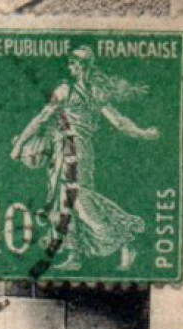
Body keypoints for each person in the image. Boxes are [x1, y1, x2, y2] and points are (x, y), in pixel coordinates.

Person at [8, 46, 160, 273]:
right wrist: (20, 144)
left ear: (85, 66)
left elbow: (118, 121)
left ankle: (126, 237)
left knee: (79, 197)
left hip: (79, 147)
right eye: (70, 63)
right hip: (61, 148)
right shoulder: (65, 90)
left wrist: (142, 133)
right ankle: (75, 253)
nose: (72, 67)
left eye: (76, 63)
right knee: (62, 200)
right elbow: (42, 118)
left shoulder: (93, 93)